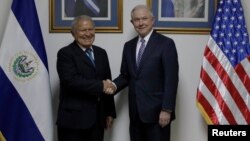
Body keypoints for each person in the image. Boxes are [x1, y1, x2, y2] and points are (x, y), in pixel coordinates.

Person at [104, 4, 179, 141]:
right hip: (135, 114)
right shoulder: (128, 46)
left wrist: (167, 109)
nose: (141, 23)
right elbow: (125, 75)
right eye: (136, 20)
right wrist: (113, 85)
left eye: (144, 18)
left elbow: (171, 79)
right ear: (132, 23)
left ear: (152, 20)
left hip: (158, 114)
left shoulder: (166, 44)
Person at [56, 15, 116, 141]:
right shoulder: (65, 53)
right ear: (73, 33)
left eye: (91, 29)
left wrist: (109, 112)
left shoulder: (101, 53)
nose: (88, 34)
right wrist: (101, 85)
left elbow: (107, 80)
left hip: (98, 120)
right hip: (73, 122)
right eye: (83, 30)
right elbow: (71, 81)